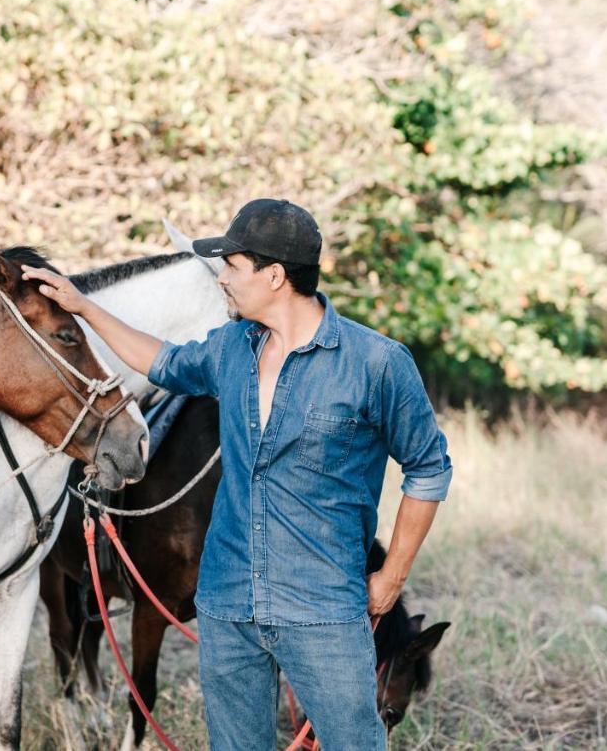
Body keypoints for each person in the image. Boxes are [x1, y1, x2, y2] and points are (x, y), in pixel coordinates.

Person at [22, 199, 452, 749]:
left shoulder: (377, 363)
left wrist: (391, 578)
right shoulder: (231, 348)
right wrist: (83, 307)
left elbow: (428, 468)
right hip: (226, 604)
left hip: (322, 608)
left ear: (274, 276)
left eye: (232, 265)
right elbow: (159, 360)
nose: (220, 278)